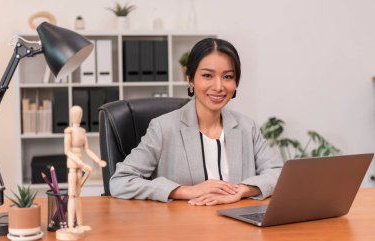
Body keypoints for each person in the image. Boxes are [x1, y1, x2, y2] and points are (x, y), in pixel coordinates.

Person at [110, 38, 283, 206]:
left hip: (238, 226)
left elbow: (278, 173)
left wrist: (243, 190)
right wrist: (185, 191)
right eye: (207, 75)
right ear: (190, 79)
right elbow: (121, 181)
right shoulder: (163, 128)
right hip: (185, 228)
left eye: (228, 77)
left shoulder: (247, 127)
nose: (218, 86)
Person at [59, 106, 107, 238]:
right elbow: (67, 151)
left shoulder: (82, 131)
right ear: (71, 116)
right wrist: (81, 163)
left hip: (80, 165)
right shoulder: (68, 131)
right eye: (75, 114)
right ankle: (70, 226)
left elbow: (87, 149)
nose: (77, 117)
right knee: (72, 195)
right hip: (73, 166)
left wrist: (98, 161)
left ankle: (79, 224)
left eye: (79, 114)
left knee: (78, 195)